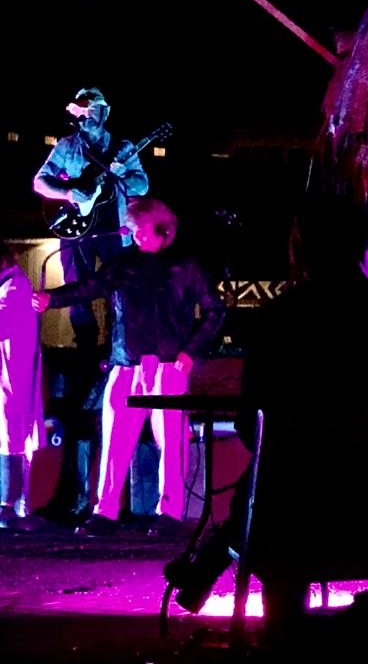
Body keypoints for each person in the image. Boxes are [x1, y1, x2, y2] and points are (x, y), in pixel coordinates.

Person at [164, 194, 368, 622]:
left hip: (294, 519)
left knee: (274, 478)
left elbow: (251, 427)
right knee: (281, 477)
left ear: (299, 248)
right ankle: (209, 564)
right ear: (360, 245)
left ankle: (245, 597)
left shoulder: (279, 319)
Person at [33, 198, 224, 531]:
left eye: (141, 229)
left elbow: (215, 311)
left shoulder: (186, 267)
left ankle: (170, 513)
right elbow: (89, 288)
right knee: (115, 440)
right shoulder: (124, 263)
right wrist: (53, 299)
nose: (135, 235)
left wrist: (190, 352)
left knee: (172, 443)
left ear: (164, 231)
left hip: (169, 367)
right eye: (134, 229)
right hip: (126, 365)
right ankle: (105, 511)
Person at [33, 87, 150, 351]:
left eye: (92, 110)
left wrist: (122, 174)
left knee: (120, 286)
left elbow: (142, 186)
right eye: (81, 110)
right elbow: (39, 181)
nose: (86, 115)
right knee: (76, 287)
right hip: (76, 230)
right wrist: (67, 193)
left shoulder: (123, 147)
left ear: (105, 113)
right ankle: (85, 346)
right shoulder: (67, 145)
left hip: (114, 230)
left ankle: (121, 347)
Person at [0, 241, 45, 529]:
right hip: (7, 376)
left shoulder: (15, 287)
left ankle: (8, 504)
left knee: (10, 437)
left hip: (12, 377)